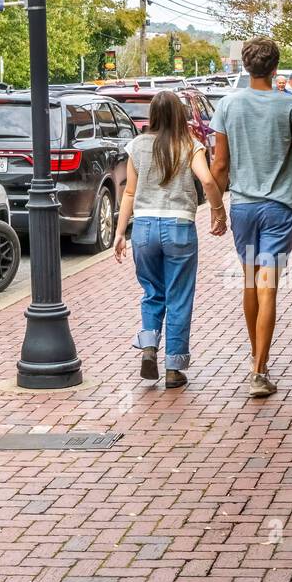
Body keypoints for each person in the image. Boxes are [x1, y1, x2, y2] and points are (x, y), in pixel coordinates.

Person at [211, 37, 292, 398]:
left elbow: (220, 164)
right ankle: (259, 369)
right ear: (275, 69)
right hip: (278, 208)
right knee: (269, 286)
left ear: (244, 66)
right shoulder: (291, 106)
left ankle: (257, 360)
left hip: (242, 207)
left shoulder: (227, 105)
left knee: (249, 282)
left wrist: (216, 207)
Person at [114, 90, 228, 389]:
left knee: (152, 292)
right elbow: (206, 180)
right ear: (180, 114)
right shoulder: (190, 145)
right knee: (179, 297)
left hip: (144, 227)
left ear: (153, 115)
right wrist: (218, 211)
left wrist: (119, 232)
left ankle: (150, 345)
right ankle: (174, 368)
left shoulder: (137, 145)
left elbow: (128, 192)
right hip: (179, 225)